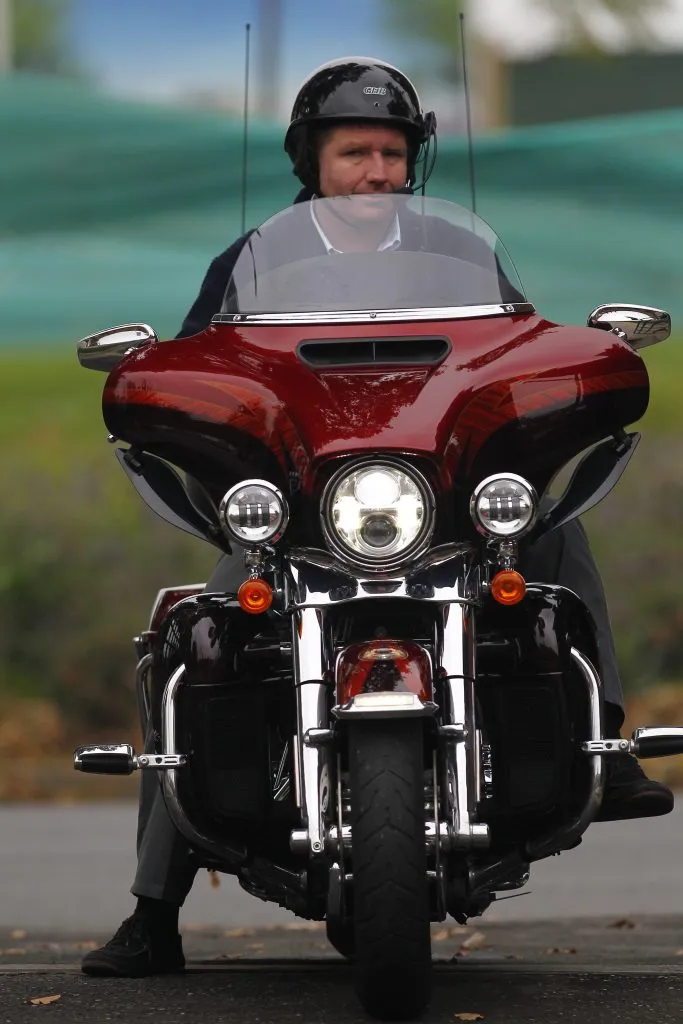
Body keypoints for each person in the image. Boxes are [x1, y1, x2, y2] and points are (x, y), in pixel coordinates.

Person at [81, 56, 673, 978]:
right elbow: (204, 358)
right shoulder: (250, 262)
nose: (375, 172)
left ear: (415, 162)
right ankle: (151, 912)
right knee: (193, 642)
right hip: (302, 519)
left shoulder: (457, 255)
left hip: (440, 505)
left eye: (391, 152)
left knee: (555, 533)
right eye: (353, 150)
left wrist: (570, 364)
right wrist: (169, 386)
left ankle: (609, 737)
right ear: (310, 159)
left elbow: (511, 343)